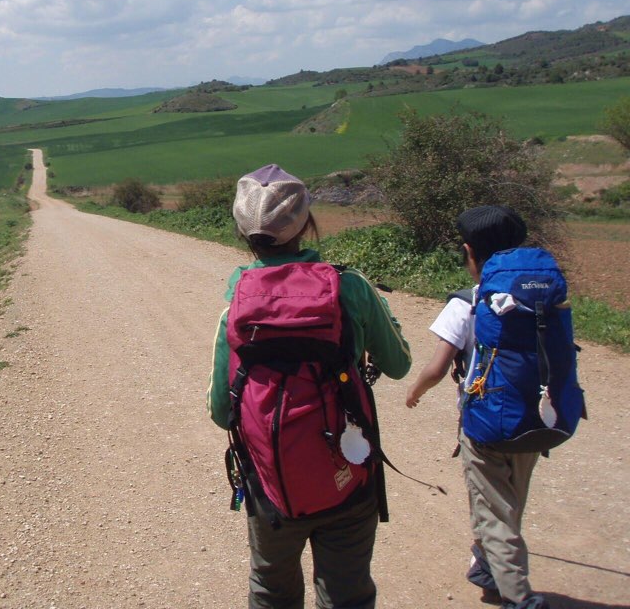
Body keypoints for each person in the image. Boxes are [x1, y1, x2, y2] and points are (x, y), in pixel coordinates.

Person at [208, 164, 411, 609]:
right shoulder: (350, 287)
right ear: (307, 225)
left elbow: (222, 412)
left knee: (271, 589)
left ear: (244, 233)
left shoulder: (236, 308)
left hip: (271, 484)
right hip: (348, 475)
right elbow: (398, 364)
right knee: (346, 593)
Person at [406, 205, 549, 609]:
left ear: (470, 252)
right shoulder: (540, 298)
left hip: (484, 426)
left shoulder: (467, 303)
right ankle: (487, 564)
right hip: (534, 419)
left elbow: (436, 367)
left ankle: (520, 598)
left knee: (493, 508)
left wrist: (415, 391)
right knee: (510, 499)